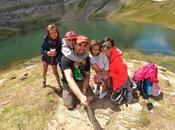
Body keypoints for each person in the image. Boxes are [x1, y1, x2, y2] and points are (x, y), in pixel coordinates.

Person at [61, 35, 94, 110]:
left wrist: (84, 90)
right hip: (68, 83)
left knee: (91, 98)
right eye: (79, 45)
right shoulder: (66, 58)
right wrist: (81, 96)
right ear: (75, 45)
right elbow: (69, 78)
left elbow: (87, 75)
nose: (82, 48)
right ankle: (73, 93)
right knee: (69, 106)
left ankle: (77, 93)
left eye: (85, 45)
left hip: (81, 80)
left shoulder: (86, 58)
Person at [41, 24, 62, 90]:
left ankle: (59, 85)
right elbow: (41, 49)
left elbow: (60, 51)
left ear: (57, 32)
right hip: (46, 57)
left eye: (55, 32)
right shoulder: (46, 39)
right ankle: (44, 81)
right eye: (51, 33)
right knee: (45, 70)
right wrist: (47, 52)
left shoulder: (59, 41)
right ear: (48, 34)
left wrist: (56, 53)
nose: (53, 34)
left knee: (55, 72)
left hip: (54, 59)